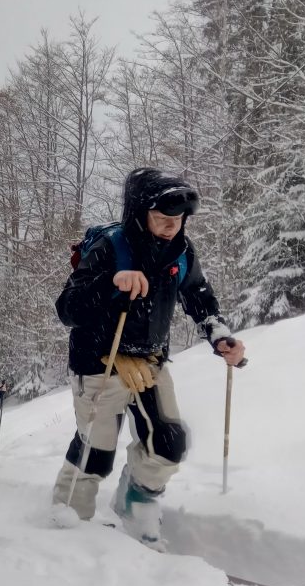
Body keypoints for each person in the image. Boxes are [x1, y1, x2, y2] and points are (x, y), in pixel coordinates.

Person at [50, 167, 246, 548]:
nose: (172, 226)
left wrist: (219, 334)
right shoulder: (110, 247)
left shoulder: (182, 252)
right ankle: (67, 527)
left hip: (151, 361)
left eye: (178, 219)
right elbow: (68, 309)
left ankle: (135, 509)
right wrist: (111, 283)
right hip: (99, 363)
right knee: (96, 451)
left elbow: (199, 297)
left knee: (169, 443)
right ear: (139, 213)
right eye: (162, 218)